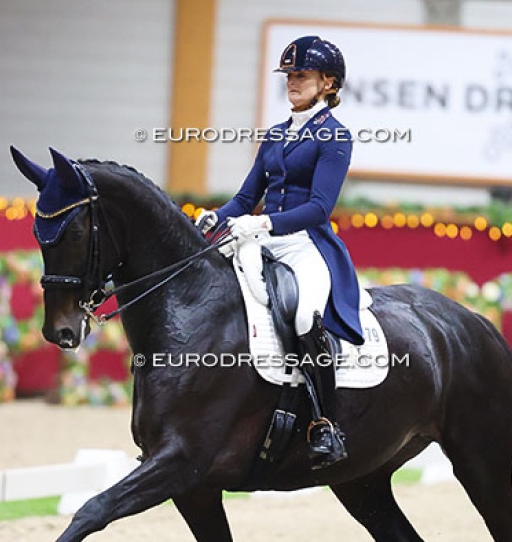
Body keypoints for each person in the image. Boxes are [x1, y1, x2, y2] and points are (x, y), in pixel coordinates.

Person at [196, 35, 363, 469]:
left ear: (327, 83)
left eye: (301, 75)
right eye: (288, 75)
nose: (292, 82)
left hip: (306, 245)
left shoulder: (335, 136)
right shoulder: (274, 135)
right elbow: (246, 195)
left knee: (307, 316)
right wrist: (214, 217)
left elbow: (319, 208)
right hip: (259, 238)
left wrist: (264, 222)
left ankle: (325, 423)